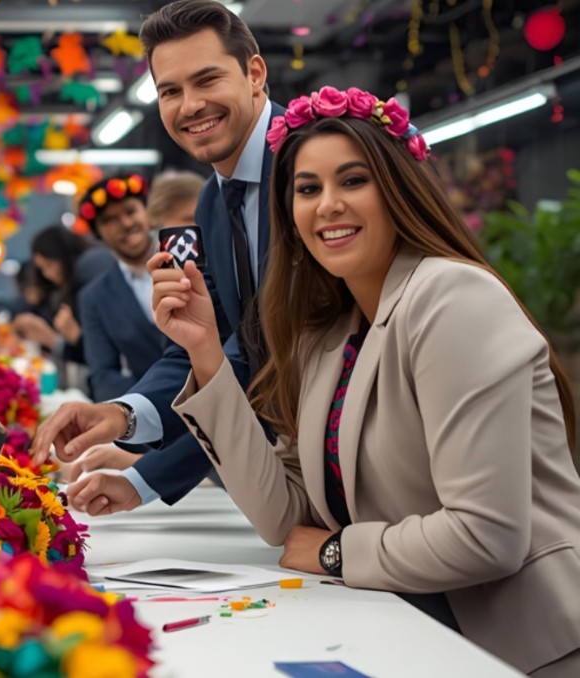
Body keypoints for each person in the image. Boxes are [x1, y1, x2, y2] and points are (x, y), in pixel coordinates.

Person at [154, 85, 580, 677]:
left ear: (397, 190)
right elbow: (285, 519)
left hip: (524, 652)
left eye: (353, 181)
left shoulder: (452, 298)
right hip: (407, 632)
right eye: (308, 189)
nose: (328, 205)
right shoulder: (327, 333)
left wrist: (336, 552)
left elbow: (486, 536)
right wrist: (204, 350)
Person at [32, 0, 283, 511]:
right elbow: (234, 350)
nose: (189, 106)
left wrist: (146, 475)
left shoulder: (311, 166)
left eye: (207, 79)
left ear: (255, 74)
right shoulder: (213, 201)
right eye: (170, 91)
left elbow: (283, 357)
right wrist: (122, 417)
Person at [75, 174, 168, 402]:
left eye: (130, 211)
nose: (126, 224)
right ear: (98, 233)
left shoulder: (189, 261)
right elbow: (103, 376)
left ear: (147, 212)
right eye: (110, 220)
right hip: (150, 413)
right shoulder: (95, 298)